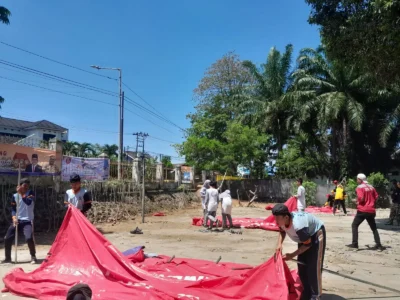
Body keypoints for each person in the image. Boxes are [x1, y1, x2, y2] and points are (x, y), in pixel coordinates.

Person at [273, 203, 326, 300]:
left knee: (313, 267)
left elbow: (308, 244)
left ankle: (316, 296)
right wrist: (279, 244)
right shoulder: (282, 221)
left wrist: (292, 255)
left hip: (315, 234)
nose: (276, 221)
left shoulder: (298, 225)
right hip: (303, 238)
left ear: (286, 217)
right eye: (275, 218)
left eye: (278, 218)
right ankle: (306, 292)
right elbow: (282, 231)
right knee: (302, 266)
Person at [2, 178, 37, 264]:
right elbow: (13, 208)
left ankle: (33, 256)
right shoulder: (14, 196)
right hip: (18, 220)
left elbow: (28, 202)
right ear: (20, 186)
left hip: (28, 220)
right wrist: (14, 218)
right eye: (24, 186)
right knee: (7, 238)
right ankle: (8, 258)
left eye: (28, 186)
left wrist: (21, 193)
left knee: (29, 238)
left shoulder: (31, 194)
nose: (26, 188)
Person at [346, 174, 384, 251]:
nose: (357, 180)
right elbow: (376, 197)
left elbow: (361, 198)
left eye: (357, 179)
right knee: (374, 228)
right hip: (371, 210)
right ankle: (379, 245)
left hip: (363, 210)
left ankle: (355, 244)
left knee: (354, 225)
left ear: (360, 179)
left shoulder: (359, 187)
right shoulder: (371, 187)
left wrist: (357, 201)